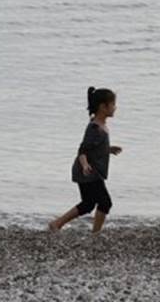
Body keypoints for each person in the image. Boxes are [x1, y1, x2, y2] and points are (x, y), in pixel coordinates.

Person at [48, 87, 123, 233]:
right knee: (105, 202)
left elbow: (94, 148)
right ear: (103, 107)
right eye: (113, 104)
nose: (115, 107)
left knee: (88, 203)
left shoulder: (101, 126)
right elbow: (82, 150)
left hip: (91, 171)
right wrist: (85, 165)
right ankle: (95, 233)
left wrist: (108, 149)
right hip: (88, 172)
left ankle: (57, 224)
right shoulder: (95, 128)